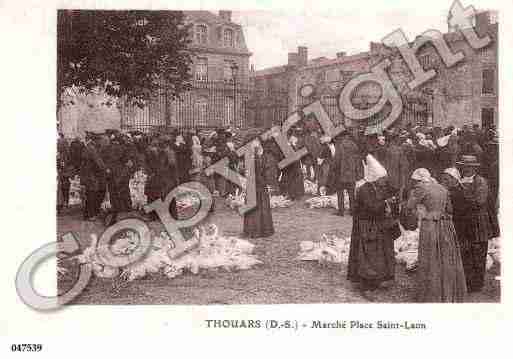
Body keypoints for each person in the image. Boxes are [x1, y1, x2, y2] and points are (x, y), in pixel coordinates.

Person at [405, 168, 467, 302]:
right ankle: (448, 291)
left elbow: (409, 206)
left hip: (430, 224)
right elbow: (449, 210)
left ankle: (431, 292)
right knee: (445, 256)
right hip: (446, 225)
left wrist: (419, 214)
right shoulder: (442, 188)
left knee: (430, 256)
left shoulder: (420, 188)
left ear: (418, 180)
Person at [347, 155, 399, 295]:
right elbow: (371, 207)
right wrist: (386, 202)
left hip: (375, 224)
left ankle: (377, 279)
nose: (385, 181)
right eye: (383, 179)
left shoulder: (378, 188)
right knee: (367, 254)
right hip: (366, 225)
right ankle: (366, 285)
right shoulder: (364, 189)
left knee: (378, 253)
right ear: (376, 179)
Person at [455, 155, 492, 292]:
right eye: (464, 166)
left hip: (478, 221)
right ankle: (467, 282)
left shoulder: (480, 182)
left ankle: (476, 284)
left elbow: (480, 201)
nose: (466, 169)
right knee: (466, 252)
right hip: (464, 222)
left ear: (474, 168)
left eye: (469, 167)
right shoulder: (460, 180)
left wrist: (462, 193)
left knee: (478, 252)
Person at [242, 138, 274, 238]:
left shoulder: (249, 157)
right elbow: (265, 172)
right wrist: (267, 183)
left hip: (253, 185)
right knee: (261, 206)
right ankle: (262, 230)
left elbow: (246, 172)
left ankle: (252, 230)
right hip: (259, 184)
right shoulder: (261, 158)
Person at [332, 130, 364, 216]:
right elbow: (358, 161)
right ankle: (352, 211)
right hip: (351, 174)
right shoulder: (354, 146)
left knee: (340, 192)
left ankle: (341, 211)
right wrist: (357, 172)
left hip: (341, 174)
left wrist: (334, 169)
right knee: (351, 193)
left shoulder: (340, 146)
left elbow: (337, 160)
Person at [80, 132, 109, 221]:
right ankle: (91, 214)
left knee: (90, 194)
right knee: (93, 194)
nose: (102, 143)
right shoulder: (92, 149)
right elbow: (98, 162)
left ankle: (88, 214)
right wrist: (106, 169)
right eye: (101, 140)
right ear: (95, 140)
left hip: (89, 175)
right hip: (92, 176)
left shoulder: (89, 148)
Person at [279, 135, 305, 200]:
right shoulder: (288, 147)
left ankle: (296, 195)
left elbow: (297, 157)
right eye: (294, 139)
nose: (295, 141)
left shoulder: (294, 146)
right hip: (291, 167)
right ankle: (292, 195)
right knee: (291, 181)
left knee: (295, 180)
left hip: (295, 166)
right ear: (290, 139)